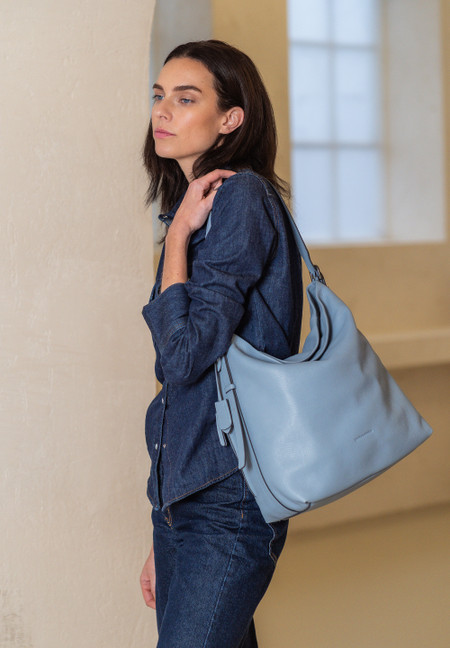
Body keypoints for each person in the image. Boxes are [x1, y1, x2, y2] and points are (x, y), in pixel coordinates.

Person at [139, 40, 302, 648]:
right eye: (159, 95)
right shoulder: (197, 207)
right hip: (186, 496)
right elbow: (179, 383)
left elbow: (182, 355)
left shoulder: (240, 198)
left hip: (228, 499)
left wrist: (179, 236)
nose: (163, 111)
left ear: (231, 118)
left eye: (186, 99)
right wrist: (165, 522)